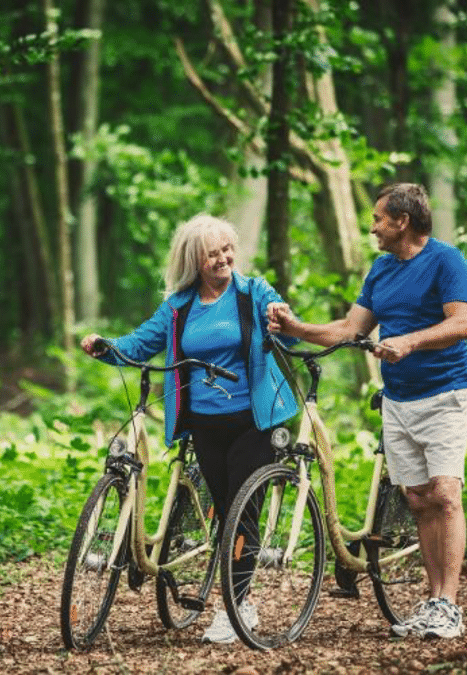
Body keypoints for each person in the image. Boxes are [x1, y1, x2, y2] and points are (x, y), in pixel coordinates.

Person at [81, 213, 300, 645]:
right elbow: (140, 344)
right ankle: (237, 595)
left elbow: (288, 335)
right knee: (223, 509)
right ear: (194, 261)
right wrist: (104, 347)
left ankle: (237, 607)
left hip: (253, 420)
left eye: (227, 249)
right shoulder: (178, 308)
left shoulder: (254, 293)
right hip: (204, 423)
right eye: (212, 253)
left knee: (242, 510)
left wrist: (283, 320)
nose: (223, 258)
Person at [268, 183, 467, 640]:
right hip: (399, 398)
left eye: (379, 219)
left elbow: (462, 322)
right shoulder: (381, 272)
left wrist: (409, 339)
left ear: (402, 220)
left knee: (445, 493)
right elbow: (348, 328)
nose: (373, 228)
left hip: (446, 393)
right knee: (419, 499)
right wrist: (295, 327)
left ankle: (449, 604)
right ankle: (433, 598)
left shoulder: (446, 260)